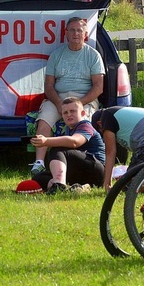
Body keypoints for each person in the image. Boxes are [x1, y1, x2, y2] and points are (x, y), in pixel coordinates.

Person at [30, 16, 105, 175]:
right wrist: (58, 103)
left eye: (79, 30)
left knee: (84, 123)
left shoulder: (93, 55)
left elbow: (98, 87)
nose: (75, 33)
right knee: (44, 120)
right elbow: (49, 85)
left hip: (84, 99)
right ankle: (39, 163)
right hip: (58, 97)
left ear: (85, 34)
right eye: (72, 30)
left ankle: (80, 159)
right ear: (66, 33)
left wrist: (79, 103)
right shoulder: (56, 55)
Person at [30, 97, 105, 194]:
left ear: (82, 113)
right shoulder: (68, 130)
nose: (69, 114)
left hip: (97, 170)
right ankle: (72, 188)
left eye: (72, 111)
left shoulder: (85, 125)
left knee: (57, 148)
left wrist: (46, 141)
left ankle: (59, 186)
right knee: (38, 177)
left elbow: (75, 142)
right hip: (80, 171)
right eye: (65, 113)